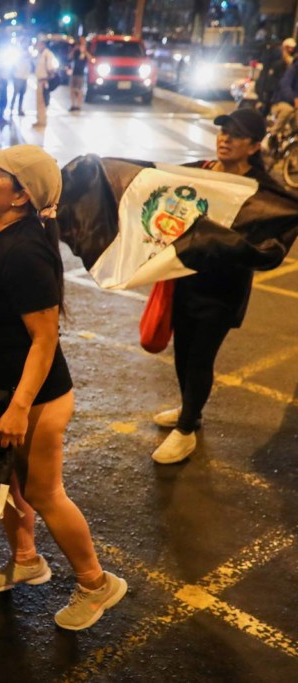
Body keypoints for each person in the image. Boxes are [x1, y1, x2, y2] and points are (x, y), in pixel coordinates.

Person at [0, 142, 127, 630]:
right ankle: (26, 560)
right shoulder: (5, 234)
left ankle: (97, 584)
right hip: (2, 393)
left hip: (34, 398)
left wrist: (18, 408)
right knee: (5, 480)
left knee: (43, 491)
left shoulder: (24, 252)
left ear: (20, 196)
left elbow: (44, 340)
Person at [152, 109, 277, 464]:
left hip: (223, 290)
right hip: (186, 279)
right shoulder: (203, 170)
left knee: (200, 358)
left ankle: (187, 430)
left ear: (253, 146)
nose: (225, 138)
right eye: (223, 130)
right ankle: (190, 410)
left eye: (236, 134)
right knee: (182, 351)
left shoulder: (260, 190)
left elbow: (271, 240)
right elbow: (157, 182)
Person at [256, 37, 294, 114]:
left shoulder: (292, 62)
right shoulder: (278, 61)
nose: (291, 50)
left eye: (292, 48)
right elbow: (270, 80)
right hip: (273, 94)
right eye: (288, 48)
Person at [33, 39, 59, 127]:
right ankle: (40, 119)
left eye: (39, 45)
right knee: (40, 101)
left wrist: (48, 80)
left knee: (43, 102)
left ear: (43, 45)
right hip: (40, 81)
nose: (37, 47)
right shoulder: (41, 54)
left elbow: (51, 69)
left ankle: (42, 121)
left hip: (44, 81)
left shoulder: (47, 54)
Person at [68, 37, 91, 112]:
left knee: (79, 90)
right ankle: (73, 105)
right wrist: (75, 49)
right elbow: (70, 57)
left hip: (81, 74)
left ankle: (78, 105)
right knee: (72, 90)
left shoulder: (85, 53)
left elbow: (91, 59)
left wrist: (85, 52)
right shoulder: (76, 52)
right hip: (74, 73)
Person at [9, 42, 31, 117]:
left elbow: (29, 66)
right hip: (18, 77)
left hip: (24, 77)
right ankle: (11, 108)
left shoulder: (28, 54)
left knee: (22, 94)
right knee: (15, 94)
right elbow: (15, 65)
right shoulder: (19, 53)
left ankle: (19, 109)